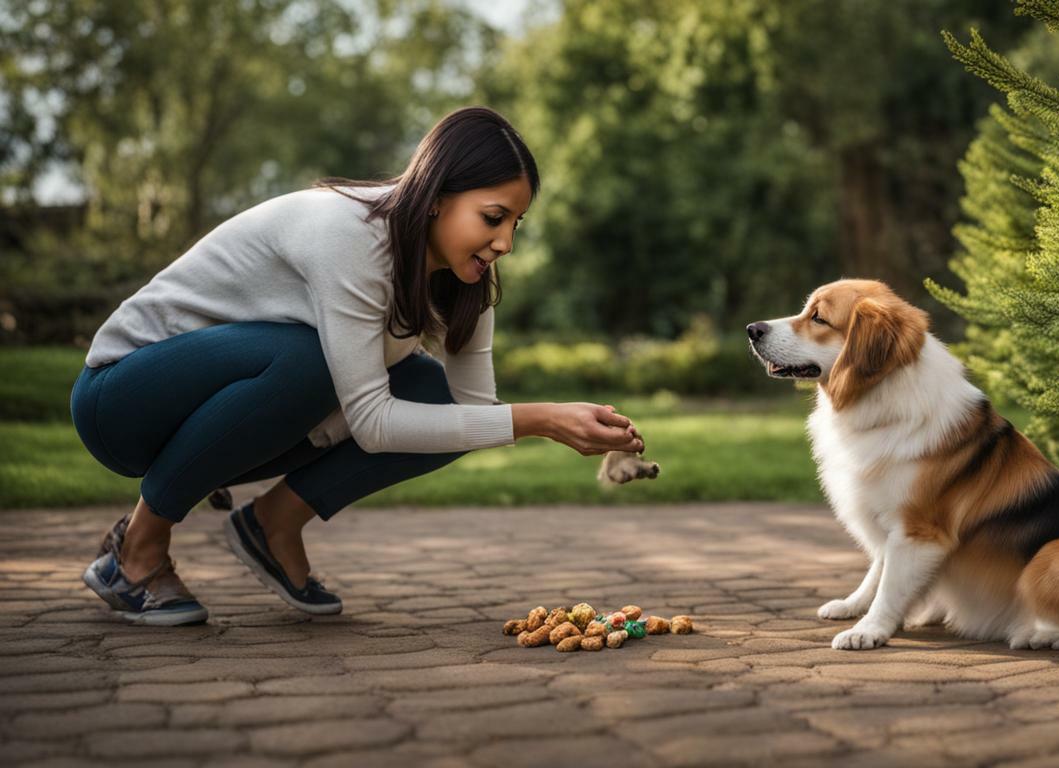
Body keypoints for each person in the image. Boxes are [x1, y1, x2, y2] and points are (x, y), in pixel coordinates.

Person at [70, 106, 644, 626]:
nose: (505, 243)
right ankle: (136, 551)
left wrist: (575, 430)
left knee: (430, 392)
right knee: (309, 360)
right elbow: (371, 421)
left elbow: (471, 416)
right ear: (439, 194)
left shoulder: (466, 281)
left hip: (226, 419)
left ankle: (274, 524)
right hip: (123, 400)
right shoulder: (351, 235)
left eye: (515, 223)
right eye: (493, 217)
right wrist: (541, 419)